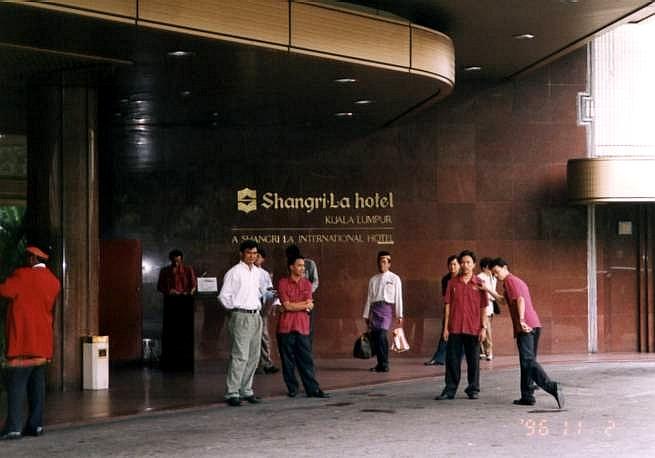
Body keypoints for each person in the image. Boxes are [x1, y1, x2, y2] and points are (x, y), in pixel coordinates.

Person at [484, 258, 564, 408]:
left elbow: (520, 299)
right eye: (493, 274)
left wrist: (521, 320)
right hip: (534, 323)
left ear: (505, 267)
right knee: (527, 362)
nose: (496, 276)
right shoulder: (515, 282)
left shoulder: (509, 281)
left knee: (527, 361)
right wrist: (487, 289)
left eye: (497, 272)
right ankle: (527, 396)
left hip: (526, 326)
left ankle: (552, 386)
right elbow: (503, 301)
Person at [0, 246, 61, 440]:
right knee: (37, 385)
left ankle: (14, 427)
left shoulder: (22, 275)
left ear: (34, 258)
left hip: (23, 341)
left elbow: (4, 291)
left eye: (28, 257)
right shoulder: (54, 281)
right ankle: (36, 426)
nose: (26, 260)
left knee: (16, 384)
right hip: (42, 342)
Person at [218, 240, 265, 407]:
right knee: (240, 356)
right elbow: (224, 296)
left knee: (254, 356)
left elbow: (261, 292)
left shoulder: (258, 272)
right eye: (249, 253)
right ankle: (232, 392)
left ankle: (246, 390)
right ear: (241, 254)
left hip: (256, 316)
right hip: (241, 316)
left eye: (254, 253)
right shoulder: (234, 272)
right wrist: (235, 310)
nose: (252, 256)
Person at [435, 250, 486, 400]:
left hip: (473, 327)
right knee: (452, 360)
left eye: (468, 262)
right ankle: (450, 390)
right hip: (455, 327)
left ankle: (473, 389)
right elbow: (447, 305)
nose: (465, 265)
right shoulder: (452, 283)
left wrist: (483, 328)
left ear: (474, 264)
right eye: (462, 262)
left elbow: (483, 307)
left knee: (473, 360)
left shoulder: (479, 283)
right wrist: (445, 328)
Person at [276, 255, 329, 398]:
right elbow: (287, 305)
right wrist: (302, 305)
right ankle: (292, 388)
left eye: (303, 266)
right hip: (286, 327)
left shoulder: (307, 284)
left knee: (306, 359)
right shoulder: (283, 283)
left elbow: (308, 305)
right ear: (291, 267)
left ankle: (312, 389)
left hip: (303, 327)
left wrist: (292, 305)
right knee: (287, 361)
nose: (302, 268)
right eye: (299, 265)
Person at [362, 251, 403, 373]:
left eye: (385, 262)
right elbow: (369, 298)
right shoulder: (373, 279)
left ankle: (385, 364)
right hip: (375, 310)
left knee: (382, 335)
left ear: (389, 264)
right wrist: (366, 314)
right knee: (376, 337)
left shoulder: (395, 278)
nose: (382, 264)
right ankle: (380, 364)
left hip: (386, 310)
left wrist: (399, 314)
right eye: (380, 262)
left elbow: (398, 297)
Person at [156, 249, 197, 371]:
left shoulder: (188, 269)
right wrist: (169, 291)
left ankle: (185, 359)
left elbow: (193, 285)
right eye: (174, 261)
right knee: (170, 330)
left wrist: (187, 293)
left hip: (185, 302)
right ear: (171, 260)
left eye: (178, 261)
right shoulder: (165, 271)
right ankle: (170, 359)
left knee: (185, 330)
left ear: (181, 259)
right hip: (170, 302)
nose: (176, 263)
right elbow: (160, 286)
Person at [425, 255, 460, 366]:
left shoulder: (463, 277)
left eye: (454, 264)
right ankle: (438, 358)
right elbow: (446, 298)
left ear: (459, 265)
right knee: (445, 333)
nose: (452, 267)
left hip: (462, 311)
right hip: (450, 309)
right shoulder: (446, 279)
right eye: (450, 264)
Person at [255, 248, 279, 375]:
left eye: (258, 256)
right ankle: (253, 365)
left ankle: (267, 363)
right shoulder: (244, 272)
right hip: (250, 307)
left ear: (263, 259)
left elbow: (270, 290)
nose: (256, 258)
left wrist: (272, 305)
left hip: (262, 307)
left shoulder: (264, 274)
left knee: (264, 336)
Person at [477, 257, 497, 361]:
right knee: (487, 330)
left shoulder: (493, 278)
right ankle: (488, 351)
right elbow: (482, 293)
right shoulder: (480, 277)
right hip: (483, 308)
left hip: (490, 307)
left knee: (486, 329)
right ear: (484, 268)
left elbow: (493, 291)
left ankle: (483, 351)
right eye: (490, 267)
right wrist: (492, 296)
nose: (491, 269)